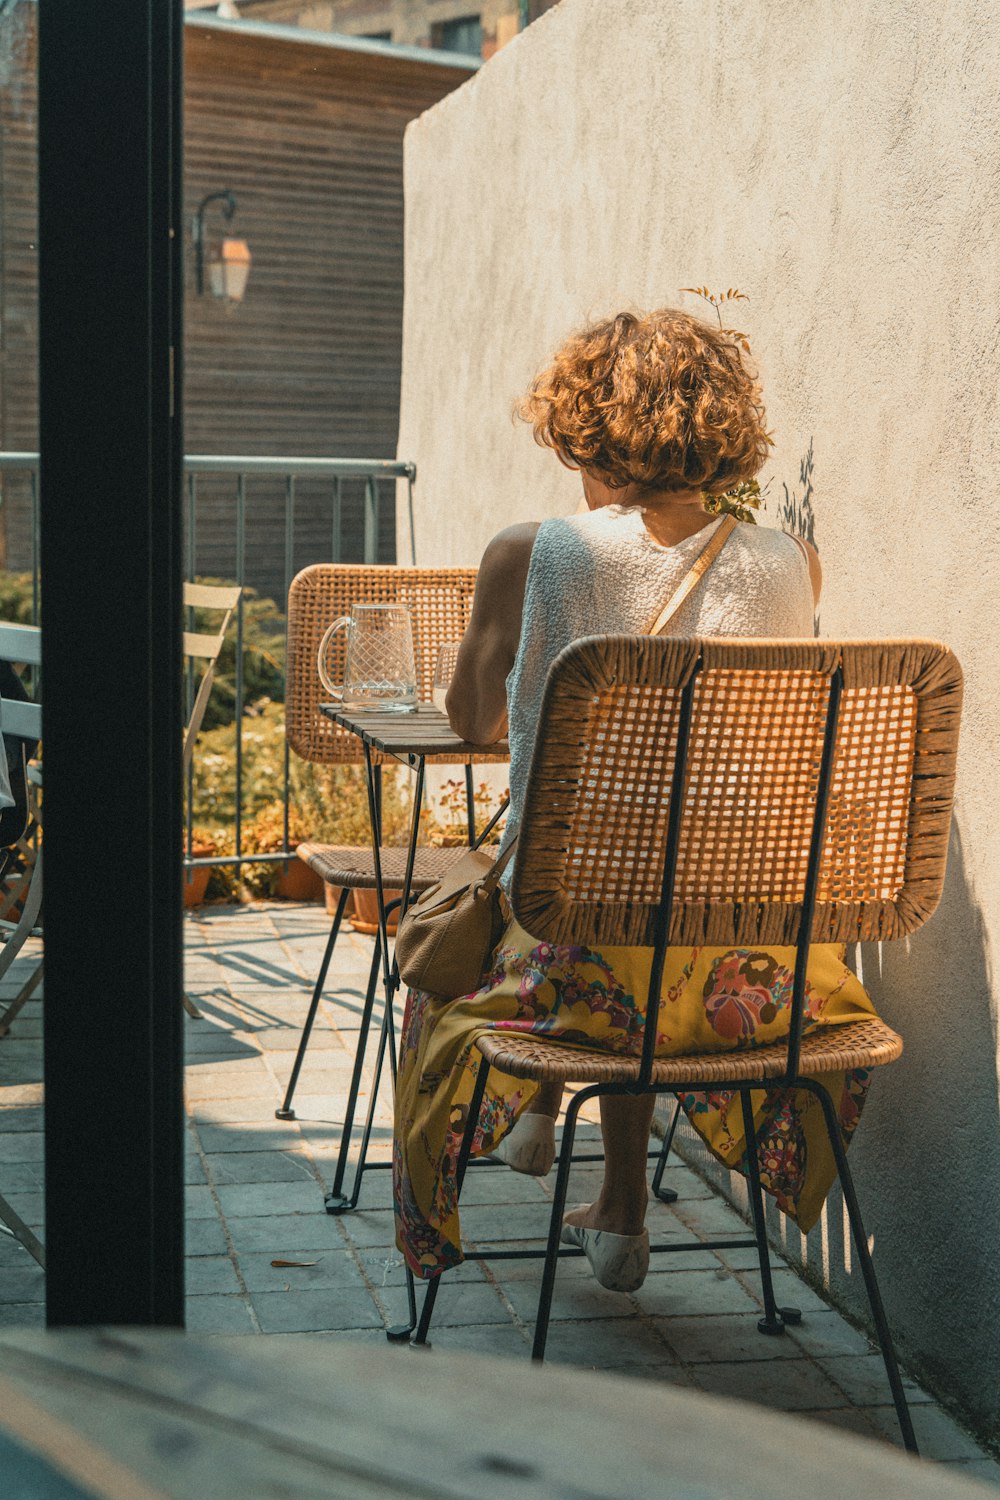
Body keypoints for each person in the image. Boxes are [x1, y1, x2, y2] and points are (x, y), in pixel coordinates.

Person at [393, 307, 875, 1291]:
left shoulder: (548, 550)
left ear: (587, 427)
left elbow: (475, 720)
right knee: (642, 884)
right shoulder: (785, 561)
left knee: (485, 930)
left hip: (577, 954)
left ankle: (527, 1132)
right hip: (751, 964)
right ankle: (607, 1194)